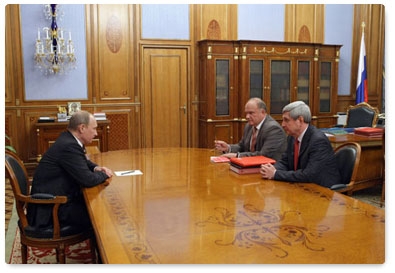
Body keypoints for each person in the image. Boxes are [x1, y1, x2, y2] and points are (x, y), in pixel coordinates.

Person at [27, 110, 114, 232]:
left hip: (55, 200)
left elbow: (81, 160)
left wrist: (96, 168)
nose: (96, 133)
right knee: (102, 214)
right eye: (94, 129)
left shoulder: (68, 139)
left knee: (99, 206)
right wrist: (104, 174)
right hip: (52, 209)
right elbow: (87, 180)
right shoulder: (69, 146)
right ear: (82, 128)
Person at [260, 101, 341, 188]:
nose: (282, 124)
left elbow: (309, 174)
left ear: (300, 120)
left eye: (286, 120)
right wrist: (271, 169)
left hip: (322, 190)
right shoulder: (292, 137)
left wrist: (276, 174)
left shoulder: (318, 141)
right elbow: (285, 161)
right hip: (301, 185)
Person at [214, 97, 286, 160]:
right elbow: (242, 146)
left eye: (251, 113)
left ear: (263, 112)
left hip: (267, 168)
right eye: (246, 113)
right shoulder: (249, 126)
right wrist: (228, 148)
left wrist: (238, 156)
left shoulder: (273, 129)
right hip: (250, 166)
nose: (247, 117)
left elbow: (264, 155)